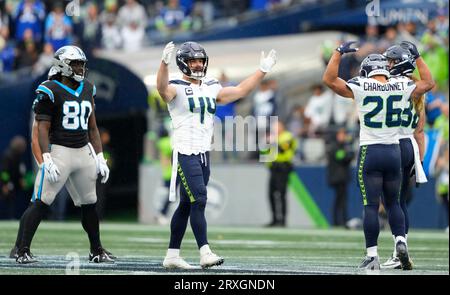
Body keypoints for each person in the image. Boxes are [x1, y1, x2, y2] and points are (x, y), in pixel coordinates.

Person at [157, 41, 276, 269]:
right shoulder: (175, 86)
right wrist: (163, 64)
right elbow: (162, 89)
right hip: (185, 151)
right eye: (193, 60)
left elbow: (241, 90)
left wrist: (263, 70)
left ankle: (172, 255)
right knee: (199, 199)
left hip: (203, 153)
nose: (199, 64)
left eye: (201, 60)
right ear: (183, 63)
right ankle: (205, 252)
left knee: (186, 204)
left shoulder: (211, 85)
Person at [323, 40, 434, 270]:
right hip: (395, 151)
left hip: (371, 151)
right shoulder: (401, 85)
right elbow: (428, 83)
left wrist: (338, 53)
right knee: (395, 202)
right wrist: (418, 57)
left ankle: (372, 255)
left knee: (371, 206)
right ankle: (401, 241)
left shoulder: (361, 85)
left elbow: (329, 80)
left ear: (367, 71)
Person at [14, 46, 115, 264]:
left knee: (90, 203)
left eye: (81, 64)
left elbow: (93, 127)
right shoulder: (49, 88)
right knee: (41, 201)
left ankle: (96, 250)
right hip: (60, 151)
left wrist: (100, 156)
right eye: (75, 63)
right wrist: (46, 158)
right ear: (62, 65)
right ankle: (22, 250)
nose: (80, 68)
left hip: (83, 151)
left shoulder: (88, 88)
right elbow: (41, 127)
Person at [380, 43, 428, 269]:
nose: (387, 65)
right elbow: (420, 131)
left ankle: (397, 248)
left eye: (390, 61)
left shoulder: (388, 86)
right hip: (410, 146)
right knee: (401, 202)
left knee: (391, 203)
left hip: (390, 143)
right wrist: (419, 160)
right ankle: (401, 247)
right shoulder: (416, 88)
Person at [263, 121, 297, 227]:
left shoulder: (287, 136)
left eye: (276, 126)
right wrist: (266, 143)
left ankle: (283, 220)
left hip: (283, 167)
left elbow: (283, 149)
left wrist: (272, 142)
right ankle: (274, 219)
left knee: (282, 194)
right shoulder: (273, 138)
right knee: (271, 194)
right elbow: (263, 152)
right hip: (273, 168)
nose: (275, 129)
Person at [326, 128, 354, 227]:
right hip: (337, 177)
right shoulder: (335, 146)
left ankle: (341, 220)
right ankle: (338, 221)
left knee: (342, 200)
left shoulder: (342, 146)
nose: (343, 137)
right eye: (341, 135)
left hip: (342, 177)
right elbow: (342, 157)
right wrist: (349, 154)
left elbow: (348, 156)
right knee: (339, 200)